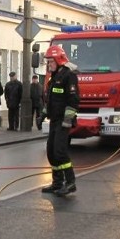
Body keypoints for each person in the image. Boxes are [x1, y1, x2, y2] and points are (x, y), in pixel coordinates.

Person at [41, 45, 79, 197]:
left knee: (60, 151)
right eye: (48, 62)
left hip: (64, 121)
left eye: (50, 61)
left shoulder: (69, 76)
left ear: (58, 60)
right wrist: (43, 114)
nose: (48, 64)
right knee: (51, 151)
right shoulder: (54, 77)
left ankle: (70, 183)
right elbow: (51, 100)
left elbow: (73, 100)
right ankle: (57, 182)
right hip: (54, 120)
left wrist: (68, 120)